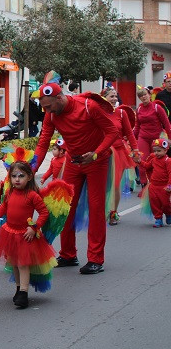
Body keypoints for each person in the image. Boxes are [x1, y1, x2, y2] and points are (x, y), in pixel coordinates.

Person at [33, 72, 119, 275]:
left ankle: (96, 259)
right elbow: (43, 141)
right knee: (65, 207)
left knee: (96, 208)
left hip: (97, 161)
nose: (46, 111)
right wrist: (31, 169)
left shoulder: (90, 107)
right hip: (74, 161)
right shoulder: (51, 114)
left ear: (60, 97)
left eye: (48, 106)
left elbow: (113, 132)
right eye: (44, 108)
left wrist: (96, 154)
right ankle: (68, 254)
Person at [0, 159, 60, 309]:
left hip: (25, 234)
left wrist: (34, 227)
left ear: (29, 177)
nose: (17, 179)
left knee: (23, 264)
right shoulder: (9, 192)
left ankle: (24, 293)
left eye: (21, 176)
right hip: (10, 232)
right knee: (14, 262)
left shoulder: (32, 195)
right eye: (14, 176)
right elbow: (3, 208)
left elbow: (44, 213)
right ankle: (19, 288)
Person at [102, 87, 139, 225]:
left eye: (115, 96)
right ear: (104, 98)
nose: (114, 99)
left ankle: (113, 212)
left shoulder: (121, 113)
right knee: (103, 184)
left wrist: (135, 150)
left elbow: (129, 133)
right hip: (102, 152)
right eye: (111, 96)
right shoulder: (98, 112)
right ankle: (102, 210)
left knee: (115, 184)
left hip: (118, 152)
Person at [133, 87, 171, 186]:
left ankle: (155, 183)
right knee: (141, 160)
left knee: (156, 161)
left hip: (156, 139)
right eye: (141, 96)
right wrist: (132, 139)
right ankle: (144, 185)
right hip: (143, 137)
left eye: (145, 94)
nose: (143, 97)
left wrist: (169, 139)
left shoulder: (157, 107)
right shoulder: (139, 109)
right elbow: (137, 126)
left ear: (149, 95)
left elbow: (167, 124)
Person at [137, 138, 171, 228]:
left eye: (159, 151)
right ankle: (158, 219)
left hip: (164, 187)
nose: (156, 153)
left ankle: (168, 214)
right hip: (153, 186)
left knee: (165, 204)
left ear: (165, 150)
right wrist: (139, 161)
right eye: (155, 151)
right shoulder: (153, 160)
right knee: (154, 203)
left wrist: (169, 185)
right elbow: (147, 166)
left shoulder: (168, 161)